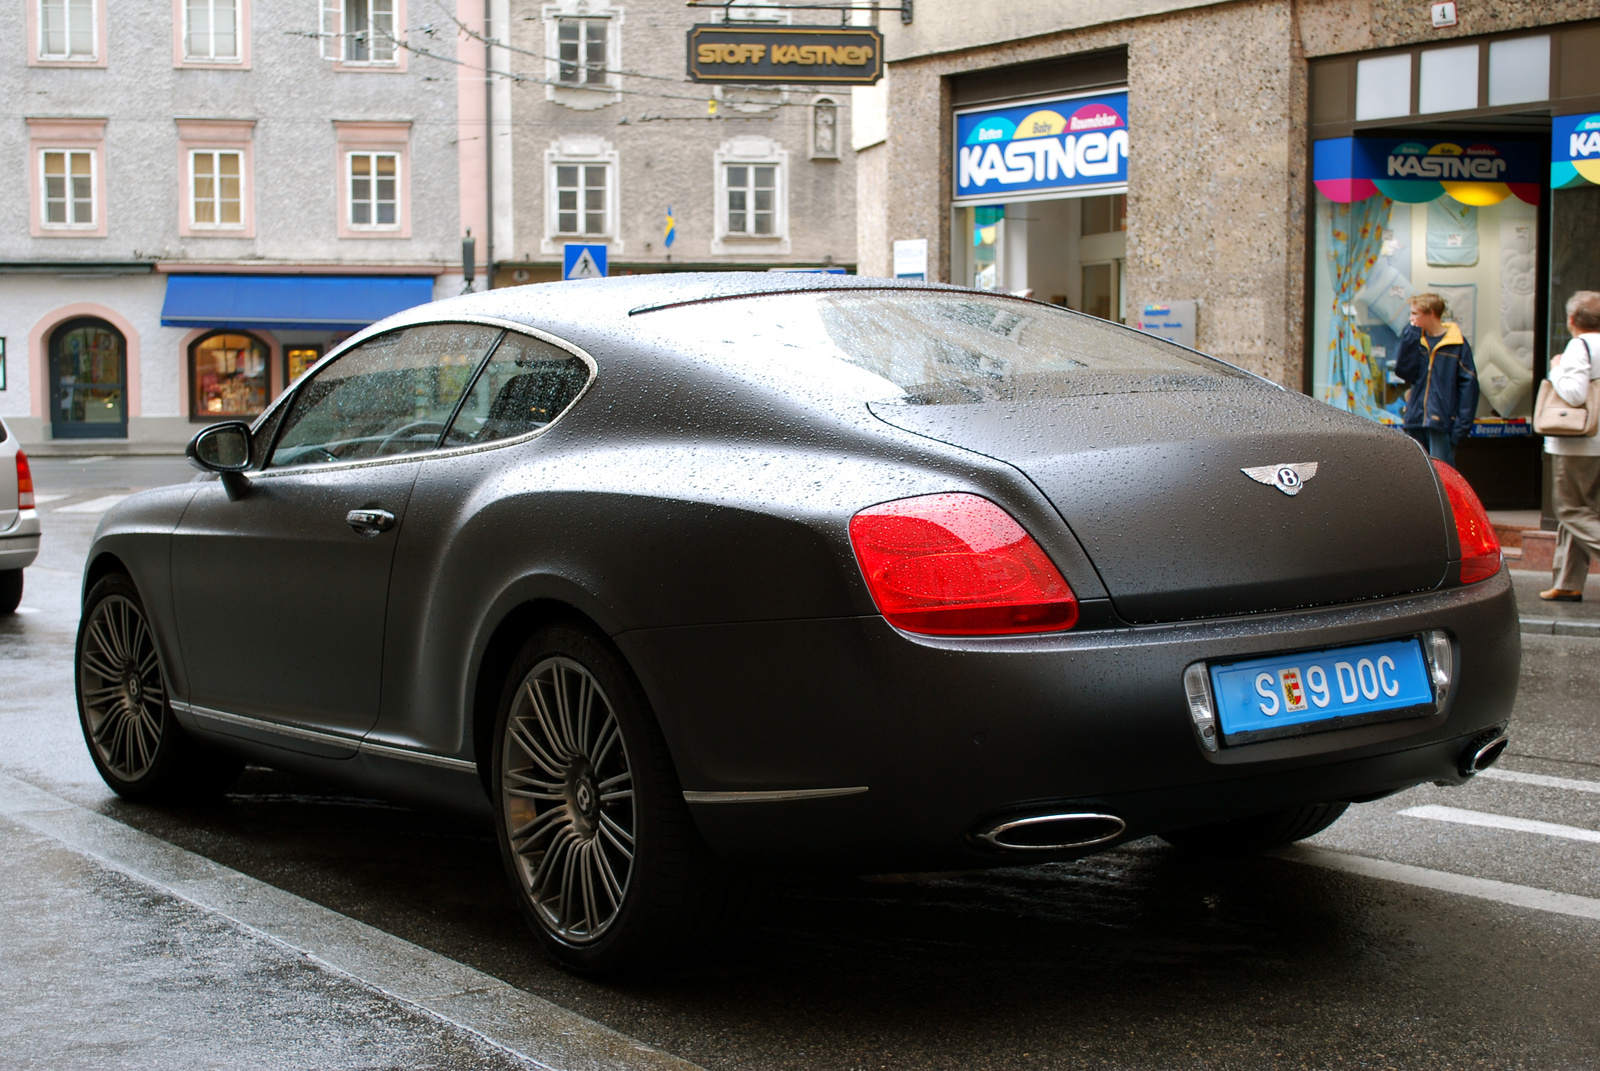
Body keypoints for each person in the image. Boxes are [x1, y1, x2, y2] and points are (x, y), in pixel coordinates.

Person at [1540, 290, 1600, 602]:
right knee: (1584, 511)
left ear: (1572, 320)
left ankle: (1568, 581)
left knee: (1571, 509)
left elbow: (1575, 394)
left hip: (1578, 444)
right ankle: (1567, 581)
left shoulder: (1580, 346)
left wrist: (1556, 368)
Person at [1393, 293, 1479, 467]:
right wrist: (1410, 337)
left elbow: (1469, 386)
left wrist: (1460, 428)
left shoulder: (1457, 344)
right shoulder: (1417, 338)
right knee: (1415, 473)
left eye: (1415, 313)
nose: (1411, 318)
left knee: (1441, 474)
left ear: (1431, 313)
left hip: (1442, 421)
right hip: (1415, 420)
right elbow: (1404, 372)